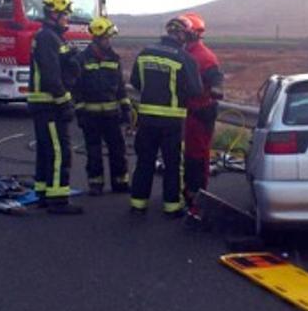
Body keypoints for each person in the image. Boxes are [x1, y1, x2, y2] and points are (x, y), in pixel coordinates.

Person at [128, 16, 203, 217]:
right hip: (172, 121)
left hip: (145, 119)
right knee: (172, 165)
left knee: (144, 161)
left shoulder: (145, 53)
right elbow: (196, 90)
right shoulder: (185, 58)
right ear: (181, 34)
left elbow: (135, 82)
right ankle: (172, 206)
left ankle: (138, 204)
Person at [27, 0, 83, 215]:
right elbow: (51, 75)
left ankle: (43, 192)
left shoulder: (51, 36)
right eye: (65, 14)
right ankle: (58, 199)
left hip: (45, 103)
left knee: (45, 150)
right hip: (49, 104)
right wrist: (64, 102)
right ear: (54, 13)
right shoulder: (47, 38)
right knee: (60, 151)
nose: (68, 18)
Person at [74, 17, 132, 196]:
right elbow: (76, 89)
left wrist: (126, 109)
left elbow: (120, 88)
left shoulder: (114, 58)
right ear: (97, 38)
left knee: (118, 150)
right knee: (94, 151)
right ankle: (95, 184)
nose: (109, 41)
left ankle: (120, 182)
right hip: (90, 116)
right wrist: (80, 112)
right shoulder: (81, 59)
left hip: (112, 115)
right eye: (107, 38)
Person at [180, 13, 225, 215]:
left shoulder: (204, 57)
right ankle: (190, 194)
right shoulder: (183, 53)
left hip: (199, 113)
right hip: (187, 113)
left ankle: (197, 199)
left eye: (182, 32)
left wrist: (215, 89)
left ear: (193, 34)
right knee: (189, 155)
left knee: (198, 157)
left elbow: (216, 80)